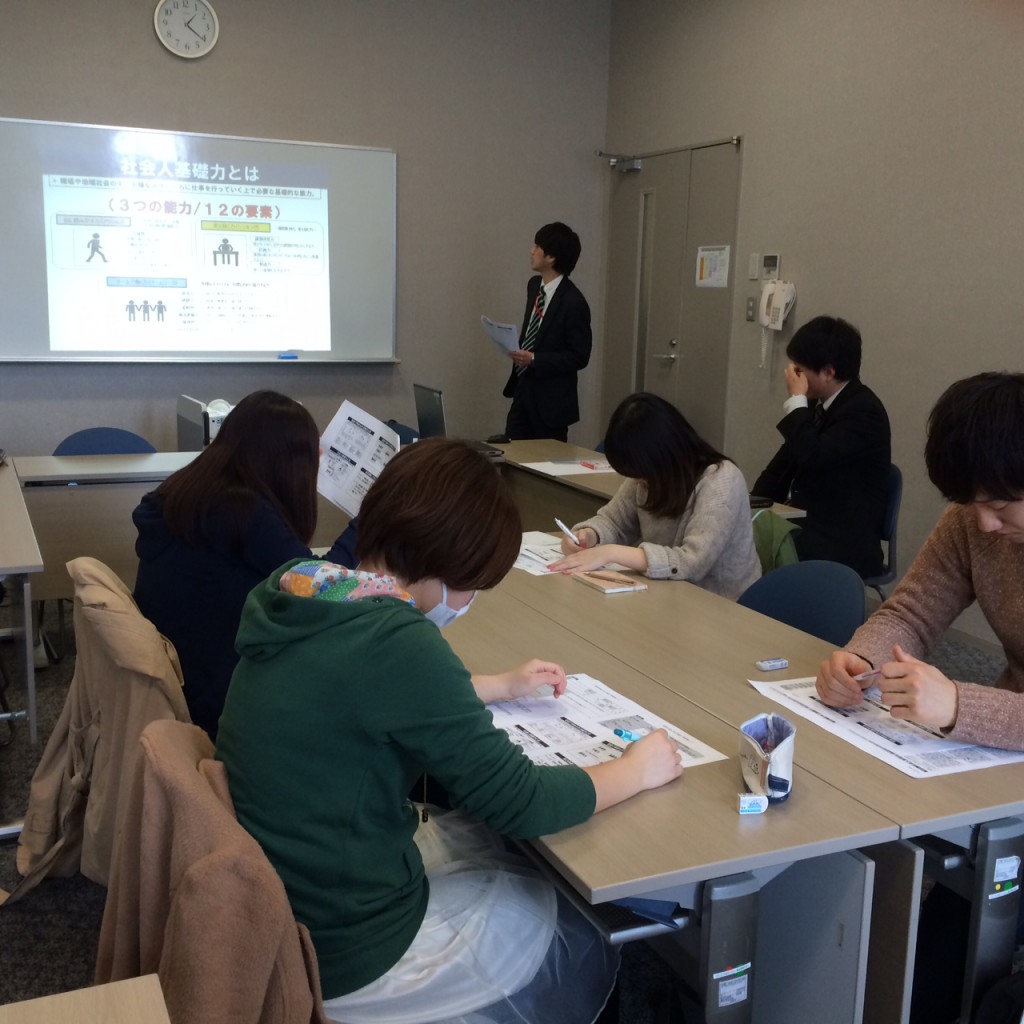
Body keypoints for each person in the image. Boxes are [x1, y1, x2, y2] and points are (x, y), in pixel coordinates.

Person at [216, 437, 682, 1024]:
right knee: (559, 908)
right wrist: (636, 769)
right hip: (347, 946)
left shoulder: (308, 587)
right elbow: (522, 801)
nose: (468, 602)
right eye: (471, 586)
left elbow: (363, 694)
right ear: (442, 564)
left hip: (288, 896)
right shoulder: (400, 642)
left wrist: (496, 685)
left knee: (487, 849)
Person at [814, 372, 1024, 1024]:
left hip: (1001, 740)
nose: (984, 522)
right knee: (931, 956)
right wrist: (862, 658)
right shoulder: (972, 521)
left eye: (1002, 504)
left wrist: (961, 707)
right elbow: (910, 610)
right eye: (969, 502)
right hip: (1005, 759)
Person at [132, 390, 358, 739]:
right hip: (218, 702)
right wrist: (369, 520)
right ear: (285, 462)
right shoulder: (242, 512)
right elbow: (324, 590)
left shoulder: (189, 490)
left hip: (179, 677)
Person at [548, 392, 760, 599]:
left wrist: (610, 553)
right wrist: (589, 534)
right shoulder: (648, 476)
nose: (639, 482)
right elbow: (614, 522)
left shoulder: (721, 480)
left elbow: (692, 563)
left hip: (719, 603)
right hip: (667, 594)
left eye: (642, 475)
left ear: (663, 455)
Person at [752, 315, 891, 578]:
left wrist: (796, 402)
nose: (792, 376)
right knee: (742, 534)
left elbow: (813, 457)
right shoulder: (818, 406)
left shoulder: (863, 411)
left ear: (828, 372)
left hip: (843, 539)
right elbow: (783, 464)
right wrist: (752, 504)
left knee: (760, 550)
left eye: (799, 369)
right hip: (811, 523)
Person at [502, 222, 592, 442]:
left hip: (551, 404)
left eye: (537, 246)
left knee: (544, 458)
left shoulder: (574, 302)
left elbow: (580, 356)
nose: (531, 251)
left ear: (551, 257)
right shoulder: (534, 286)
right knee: (512, 451)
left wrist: (535, 359)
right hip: (523, 391)